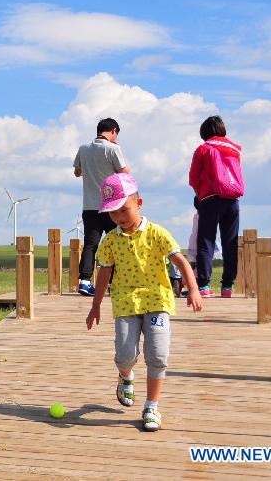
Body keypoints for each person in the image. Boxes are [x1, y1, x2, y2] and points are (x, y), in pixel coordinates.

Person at [86, 173, 203, 431]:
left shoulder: (157, 233)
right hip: (126, 302)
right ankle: (126, 377)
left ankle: (152, 405)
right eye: (112, 213)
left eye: (123, 209)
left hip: (157, 300)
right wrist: (95, 306)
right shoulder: (111, 241)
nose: (119, 218)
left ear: (139, 203)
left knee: (158, 355)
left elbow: (180, 260)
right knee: (124, 356)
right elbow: (104, 272)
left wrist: (193, 289)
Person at [73, 118, 130, 296]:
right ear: (113, 131)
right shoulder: (113, 148)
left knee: (91, 243)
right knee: (117, 243)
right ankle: (115, 282)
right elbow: (125, 173)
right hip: (112, 205)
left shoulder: (83, 149)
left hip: (90, 205)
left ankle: (85, 281)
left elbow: (77, 172)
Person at [188, 116, 243, 298]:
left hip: (210, 199)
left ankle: (203, 286)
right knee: (230, 243)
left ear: (204, 132)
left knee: (206, 241)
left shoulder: (203, 149)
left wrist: (201, 196)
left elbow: (194, 179)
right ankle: (227, 287)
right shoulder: (234, 150)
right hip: (232, 200)